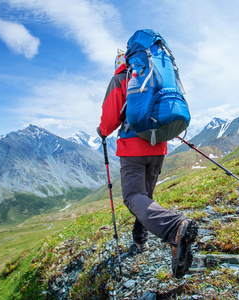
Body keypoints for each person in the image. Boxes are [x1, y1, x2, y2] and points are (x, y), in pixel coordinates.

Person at [97, 49, 198, 278]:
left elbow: (110, 118)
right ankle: (141, 240)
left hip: (133, 148)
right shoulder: (155, 73)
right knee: (145, 197)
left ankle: (174, 228)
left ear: (119, 63)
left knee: (133, 197)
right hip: (159, 146)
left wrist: (102, 131)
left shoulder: (121, 78)